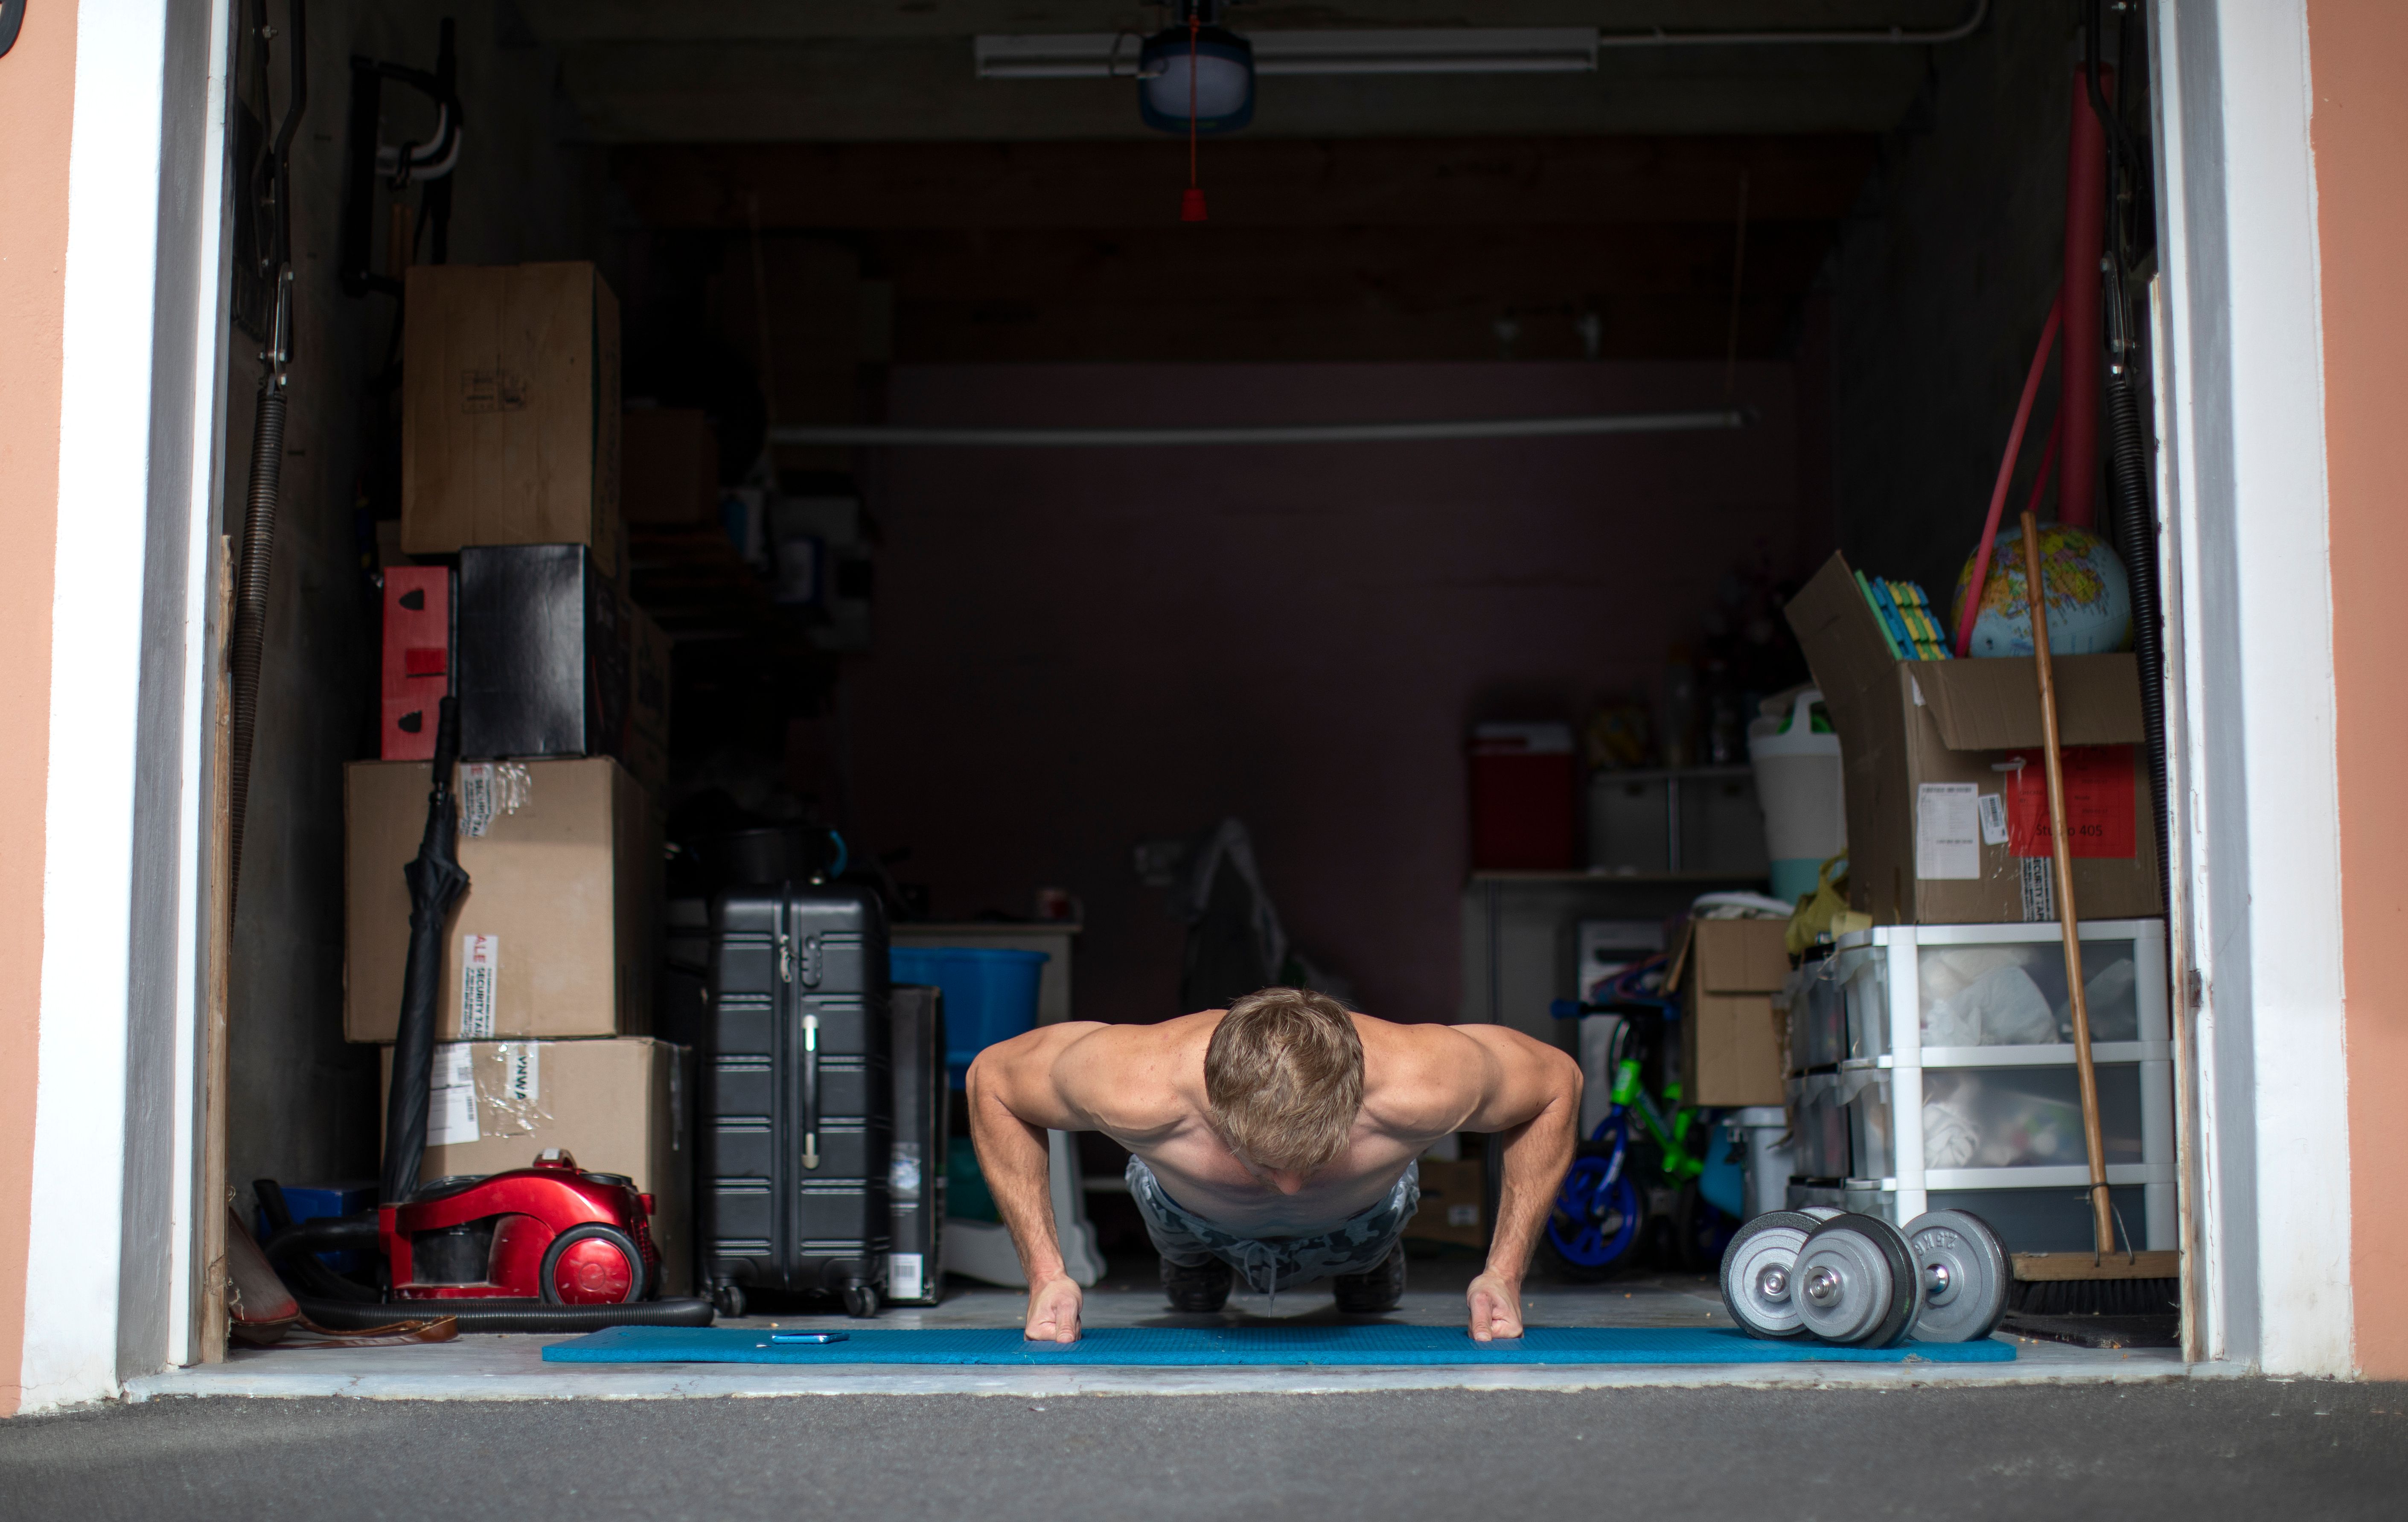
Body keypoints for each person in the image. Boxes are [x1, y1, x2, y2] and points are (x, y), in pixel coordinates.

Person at [966, 985, 1582, 1343]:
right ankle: (1194, 1260)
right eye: (1262, 1163)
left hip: (1362, 1219)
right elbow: (991, 1080)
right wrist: (1046, 1275)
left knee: (1367, 1301)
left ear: (1355, 1098)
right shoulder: (1136, 1079)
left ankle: (1367, 1264)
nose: (1289, 1187)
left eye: (1316, 1157)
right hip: (1189, 1217)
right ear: (1214, 1104)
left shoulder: (1425, 1077)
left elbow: (1558, 1082)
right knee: (1194, 1304)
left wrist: (1504, 1274)